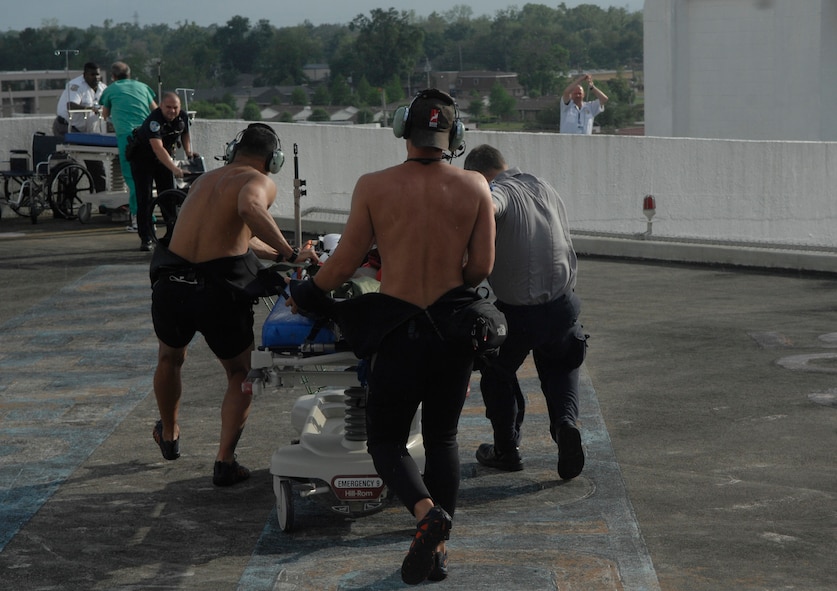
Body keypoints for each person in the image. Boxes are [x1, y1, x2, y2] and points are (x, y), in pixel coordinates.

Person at [287, 89, 495, 585]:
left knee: (386, 440)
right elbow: (481, 268)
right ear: (454, 136)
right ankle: (438, 550)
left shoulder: (374, 186)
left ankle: (426, 515)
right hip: (451, 328)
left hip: (398, 329)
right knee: (443, 436)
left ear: (404, 131)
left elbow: (345, 262)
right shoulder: (476, 187)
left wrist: (308, 292)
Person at [149, 123, 318, 487]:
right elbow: (250, 207)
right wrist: (291, 252)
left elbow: (238, 233)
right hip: (216, 292)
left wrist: (283, 256)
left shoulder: (204, 181)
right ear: (273, 160)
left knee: (169, 358)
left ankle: (170, 432)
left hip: (171, 283)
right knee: (240, 373)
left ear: (232, 150)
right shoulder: (256, 180)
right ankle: (224, 461)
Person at [463, 144, 588, 480]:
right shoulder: (544, 186)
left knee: (497, 373)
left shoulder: (498, 191)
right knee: (561, 366)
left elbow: (489, 203)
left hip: (520, 313)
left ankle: (507, 449)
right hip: (564, 305)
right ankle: (564, 426)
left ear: (478, 177)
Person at [129, 91, 195, 252]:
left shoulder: (183, 116)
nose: (172, 111)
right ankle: (146, 238)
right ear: (161, 106)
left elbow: (185, 133)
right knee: (144, 198)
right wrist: (175, 169)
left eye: (175, 107)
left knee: (168, 196)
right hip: (143, 159)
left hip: (164, 160)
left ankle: (171, 235)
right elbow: (158, 148)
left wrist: (188, 152)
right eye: (168, 107)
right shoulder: (154, 121)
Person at [99, 61, 157, 232]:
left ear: (113, 76)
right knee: (145, 178)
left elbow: (104, 114)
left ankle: (140, 219)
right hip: (148, 135)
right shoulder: (143, 87)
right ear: (130, 75)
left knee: (133, 179)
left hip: (128, 137)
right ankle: (148, 217)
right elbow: (155, 110)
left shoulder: (111, 89)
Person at [52, 61, 108, 192]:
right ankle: (64, 202)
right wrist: (90, 108)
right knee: (69, 166)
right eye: (92, 74)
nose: (95, 77)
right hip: (66, 128)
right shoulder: (75, 85)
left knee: (96, 165)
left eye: (98, 75)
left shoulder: (102, 88)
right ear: (85, 75)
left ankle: (103, 200)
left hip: (87, 133)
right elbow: (70, 105)